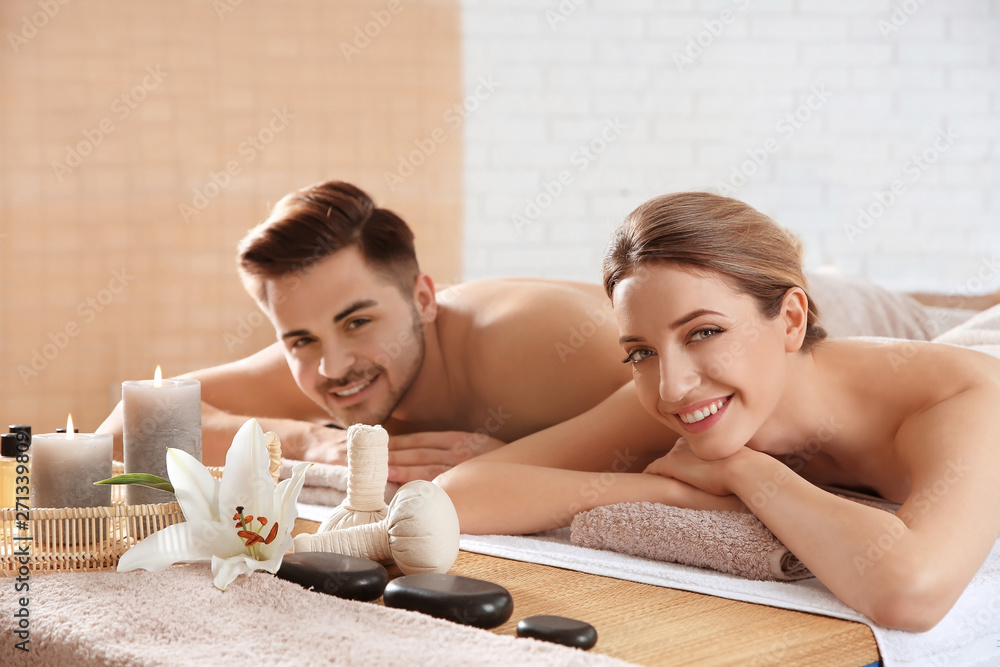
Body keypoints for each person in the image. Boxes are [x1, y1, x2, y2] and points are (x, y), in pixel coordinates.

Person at [97, 180, 993, 482]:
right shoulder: (328, 367)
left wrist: (503, 461)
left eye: (357, 320)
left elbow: (707, 404)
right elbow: (132, 418)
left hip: (837, 323)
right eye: (297, 338)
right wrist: (306, 438)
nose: (331, 365)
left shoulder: (534, 349)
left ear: (424, 299)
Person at [437, 192, 1000, 632]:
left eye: (705, 332)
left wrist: (748, 473)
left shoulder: (963, 400)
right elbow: (458, 494)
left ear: (792, 319)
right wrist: (672, 493)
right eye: (641, 352)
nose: (674, 386)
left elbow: (911, 592)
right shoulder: (692, 395)